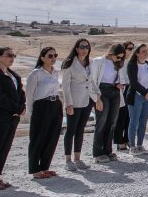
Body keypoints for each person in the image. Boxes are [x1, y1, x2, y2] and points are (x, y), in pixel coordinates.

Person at [0, 47, 25, 190]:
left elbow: (21, 93)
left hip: (12, 118)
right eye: (9, 55)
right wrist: (17, 108)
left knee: (4, 148)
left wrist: (22, 107)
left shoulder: (13, 75)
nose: (12, 58)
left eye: (13, 56)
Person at [27, 46, 63, 177]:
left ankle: (45, 167)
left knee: (52, 136)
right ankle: (35, 170)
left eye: (55, 55)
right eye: (50, 56)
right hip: (41, 106)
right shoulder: (36, 73)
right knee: (38, 137)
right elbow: (29, 95)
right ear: (42, 58)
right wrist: (32, 112)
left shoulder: (55, 72)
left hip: (55, 104)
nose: (53, 58)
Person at [60, 39, 94, 171]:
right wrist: (68, 104)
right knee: (71, 130)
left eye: (87, 47)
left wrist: (97, 97)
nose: (85, 49)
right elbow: (65, 85)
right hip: (74, 101)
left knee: (81, 129)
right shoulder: (69, 63)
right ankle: (68, 160)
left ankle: (77, 158)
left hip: (86, 100)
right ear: (76, 48)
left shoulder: (89, 63)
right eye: (82, 46)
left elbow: (91, 81)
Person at [90, 43, 126, 162]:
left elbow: (121, 78)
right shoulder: (98, 61)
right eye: (118, 56)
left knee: (112, 122)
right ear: (111, 53)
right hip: (102, 91)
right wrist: (97, 98)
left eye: (121, 58)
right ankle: (97, 152)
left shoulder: (118, 64)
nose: (119, 59)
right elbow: (93, 79)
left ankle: (108, 150)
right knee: (102, 121)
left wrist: (120, 84)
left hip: (115, 92)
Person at [126, 44, 148, 153]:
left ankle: (140, 144)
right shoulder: (132, 65)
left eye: (146, 51)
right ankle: (132, 146)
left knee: (143, 121)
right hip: (136, 96)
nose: (145, 53)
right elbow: (133, 82)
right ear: (137, 53)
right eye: (143, 51)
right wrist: (145, 92)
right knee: (134, 121)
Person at [114, 41, 135, 152]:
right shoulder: (118, 62)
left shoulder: (130, 62)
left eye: (132, 49)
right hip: (121, 90)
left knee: (129, 116)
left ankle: (127, 139)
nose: (131, 51)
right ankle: (119, 141)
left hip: (129, 89)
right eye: (129, 48)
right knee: (120, 117)